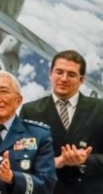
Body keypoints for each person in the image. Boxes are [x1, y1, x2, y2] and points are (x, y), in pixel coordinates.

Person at [20, 50, 103, 194]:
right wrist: (56, 162)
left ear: (81, 80)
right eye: (59, 72)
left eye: (71, 74)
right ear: (50, 74)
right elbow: (22, 156)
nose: (64, 79)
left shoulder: (100, 109)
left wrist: (85, 160)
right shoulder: (31, 112)